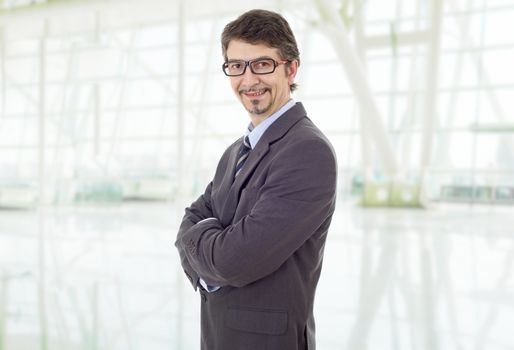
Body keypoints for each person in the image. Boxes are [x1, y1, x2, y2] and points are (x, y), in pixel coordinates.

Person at [175, 9, 337, 350]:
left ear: (291, 68)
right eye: (236, 66)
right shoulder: (237, 150)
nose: (248, 80)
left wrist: (202, 246)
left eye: (262, 64)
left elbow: (234, 260)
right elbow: (189, 219)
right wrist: (207, 242)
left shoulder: (307, 151)